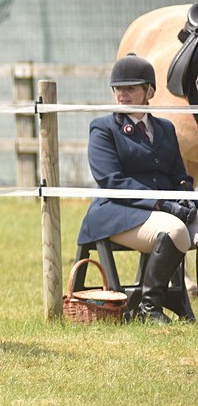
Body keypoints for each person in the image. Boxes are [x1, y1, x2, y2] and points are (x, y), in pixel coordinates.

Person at [79, 53, 198, 323]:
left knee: (181, 225)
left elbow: (179, 175)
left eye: (130, 88)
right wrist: (161, 204)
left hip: (162, 210)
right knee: (175, 230)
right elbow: (111, 181)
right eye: (118, 89)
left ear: (149, 92)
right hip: (117, 212)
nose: (122, 95)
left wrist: (186, 200)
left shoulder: (165, 128)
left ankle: (174, 300)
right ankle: (149, 307)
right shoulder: (103, 129)